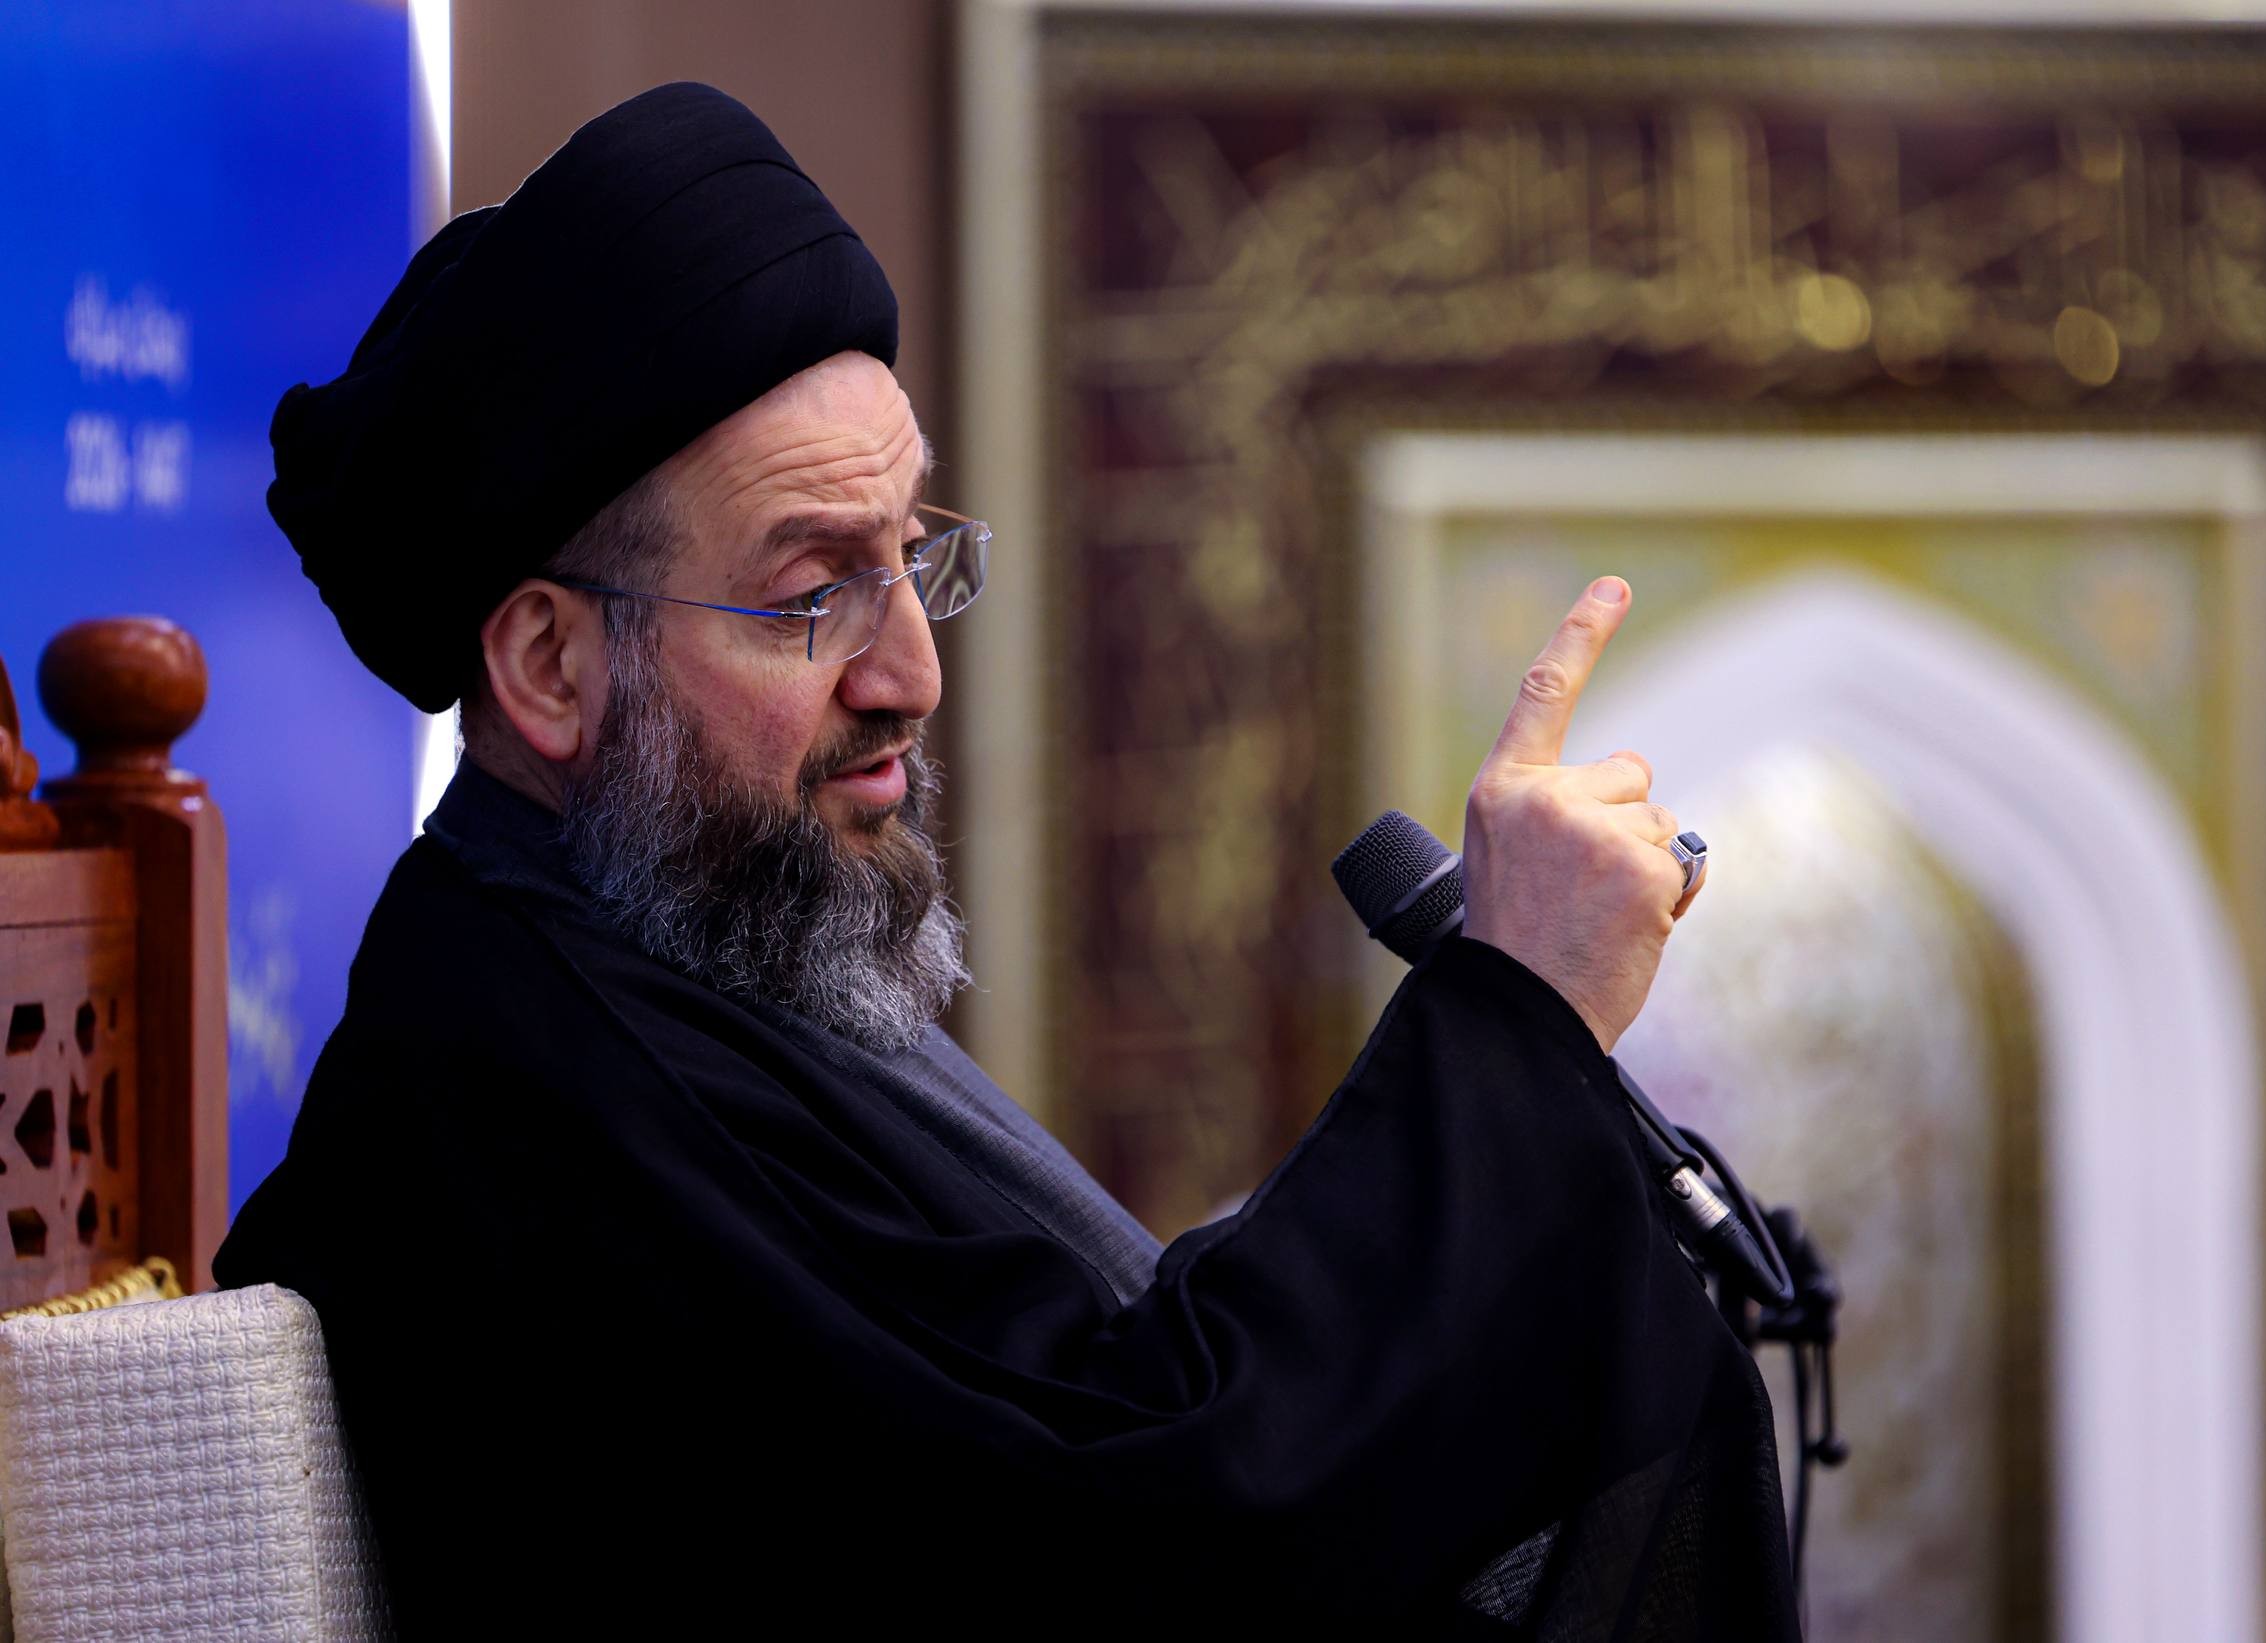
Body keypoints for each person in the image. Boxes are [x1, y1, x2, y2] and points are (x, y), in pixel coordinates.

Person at [215, 82, 1796, 1639]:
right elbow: (1129, 1539)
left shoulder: (656, 958)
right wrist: (1512, 1020)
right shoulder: (532, 1096)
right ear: (551, 669)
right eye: (809, 595)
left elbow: (1075, 1419)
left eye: (911, 557)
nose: (910, 671)